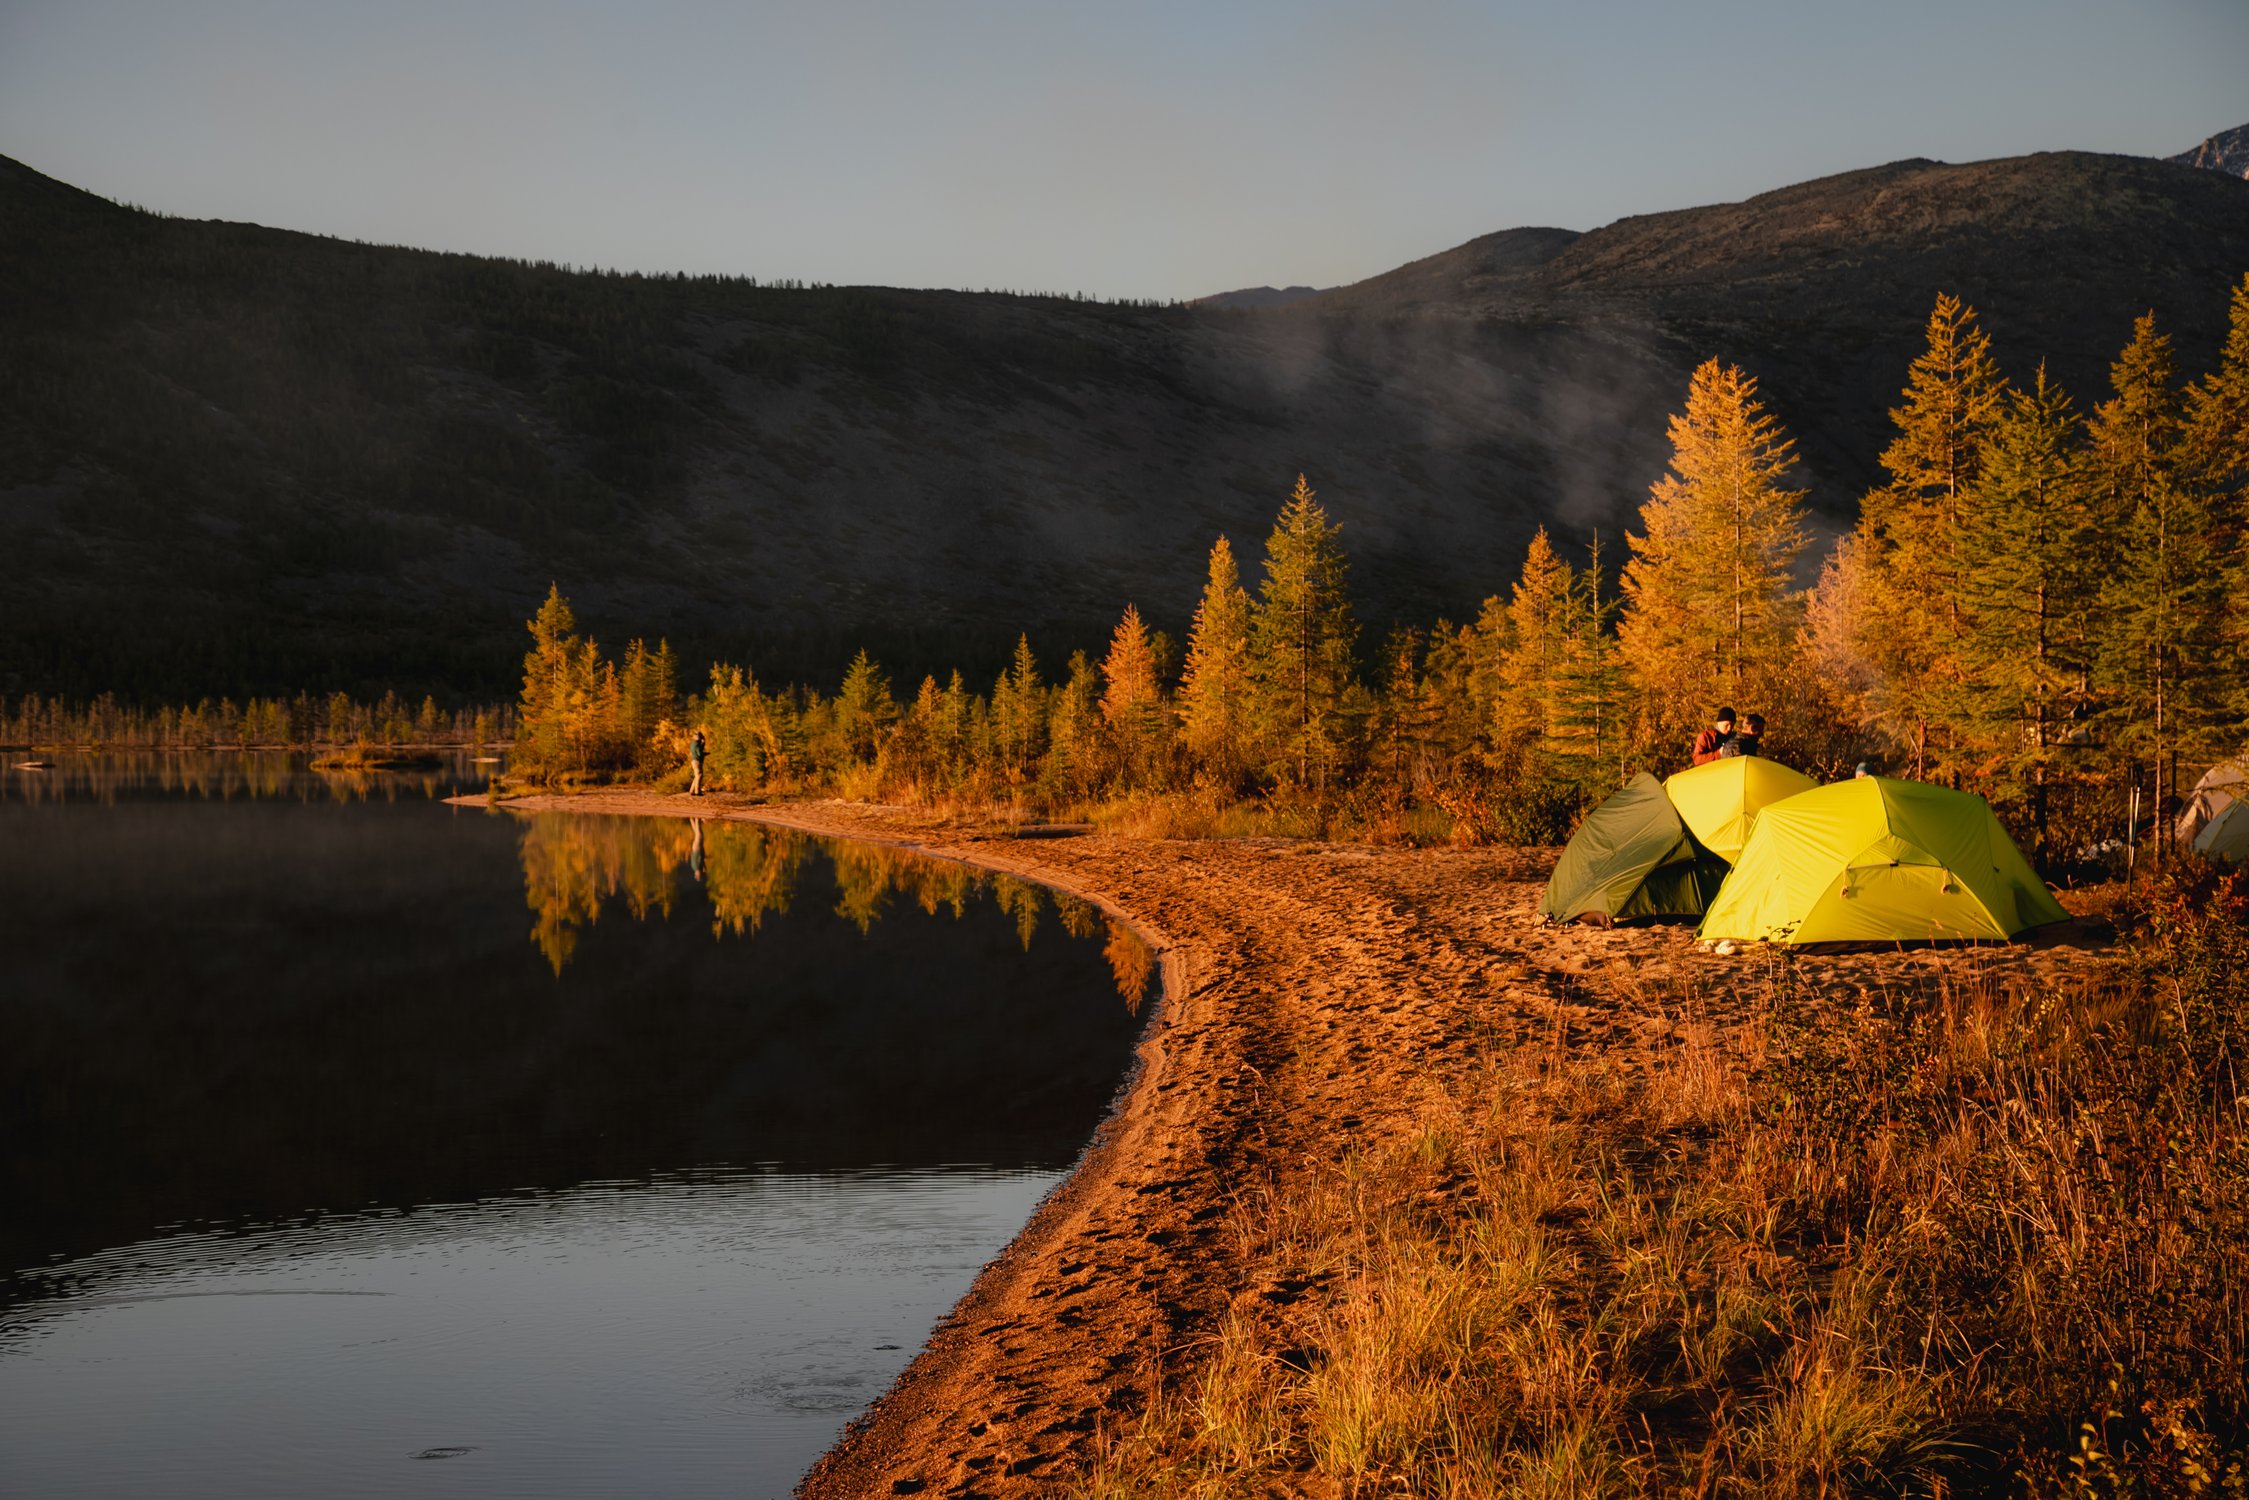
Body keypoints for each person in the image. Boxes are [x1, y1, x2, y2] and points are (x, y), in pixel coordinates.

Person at [687, 727, 706, 796]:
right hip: (697, 761)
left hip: (694, 761)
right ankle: (697, 791)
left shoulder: (693, 744)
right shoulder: (697, 744)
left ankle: (692, 790)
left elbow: (699, 750)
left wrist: (703, 744)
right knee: (699, 775)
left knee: (696, 776)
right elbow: (699, 753)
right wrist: (705, 753)